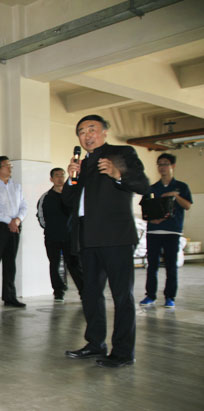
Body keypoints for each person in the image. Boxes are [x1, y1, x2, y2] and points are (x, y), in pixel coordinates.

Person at [63, 114, 149, 368]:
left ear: (104, 132)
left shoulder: (120, 153)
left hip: (115, 237)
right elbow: (68, 201)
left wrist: (117, 174)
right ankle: (95, 343)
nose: (86, 135)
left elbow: (142, 184)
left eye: (92, 129)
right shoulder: (83, 164)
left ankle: (123, 352)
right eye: (81, 132)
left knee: (122, 296)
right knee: (91, 294)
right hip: (87, 238)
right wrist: (71, 178)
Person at [140, 153, 192, 308]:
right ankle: (150, 296)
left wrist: (175, 196)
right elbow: (145, 209)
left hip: (172, 232)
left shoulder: (181, 187)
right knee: (152, 266)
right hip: (154, 232)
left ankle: (170, 297)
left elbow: (187, 205)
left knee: (171, 267)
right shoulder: (152, 188)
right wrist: (151, 220)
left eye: (165, 164)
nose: (162, 167)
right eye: (160, 164)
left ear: (172, 166)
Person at [0, 156, 27, 309]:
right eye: (6, 165)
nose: (10, 168)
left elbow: (24, 205)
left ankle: (10, 297)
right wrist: (9, 221)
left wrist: (18, 220)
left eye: (10, 166)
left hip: (15, 227)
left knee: (10, 263)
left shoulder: (16, 186)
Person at [36, 168, 84, 302]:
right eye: (57, 176)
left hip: (70, 237)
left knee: (74, 264)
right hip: (52, 237)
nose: (60, 178)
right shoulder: (46, 197)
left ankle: (84, 291)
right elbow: (40, 216)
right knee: (55, 264)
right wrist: (50, 229)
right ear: (51, 179)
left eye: (62, 175)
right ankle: (58, 291)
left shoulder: (71, 196)